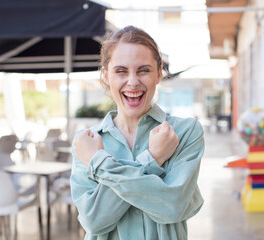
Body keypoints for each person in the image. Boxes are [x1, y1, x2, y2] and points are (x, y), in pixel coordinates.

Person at [70, 25, 204, 240]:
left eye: (144, 70)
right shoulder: (87, 142)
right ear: (105, 75)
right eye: (121, 71)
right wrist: (153, 160)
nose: (133, 81)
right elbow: (93, 222)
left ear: (159, 73)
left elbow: (173, 207)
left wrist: (100, 164)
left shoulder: (184, 132)